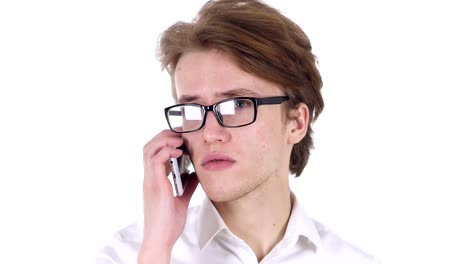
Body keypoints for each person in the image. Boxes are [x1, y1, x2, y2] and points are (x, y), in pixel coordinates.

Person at [95, 0, 379, 263]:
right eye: (193, 109)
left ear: (296, 122)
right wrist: (157, 249)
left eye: (238, 104)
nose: (209, 133)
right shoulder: (131, 253)